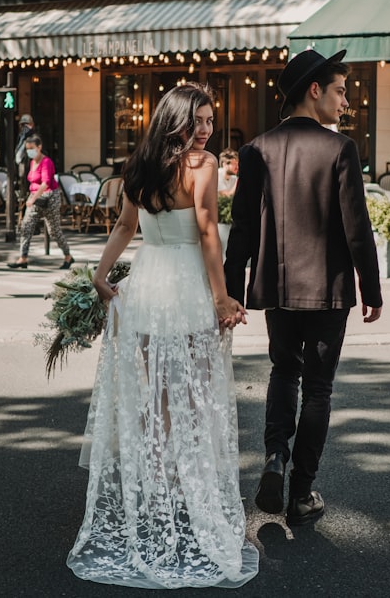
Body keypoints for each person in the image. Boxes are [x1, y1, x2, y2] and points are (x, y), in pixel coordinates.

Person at [67, 83, 258, 589]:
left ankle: (155, 493)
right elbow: (208, 228)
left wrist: (101, 275)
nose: (206, 130)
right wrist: (221, 297)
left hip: (147, 286)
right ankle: (187, 496)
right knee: (195, 397)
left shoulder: (139, 164)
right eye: (198, 120)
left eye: (210, 121)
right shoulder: (203, 165)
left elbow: (126, 228)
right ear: (176, 120)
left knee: (159, 399)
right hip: (187, 286)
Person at [224, 49, 383, 527]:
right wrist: (371, 289)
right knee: (318, 388)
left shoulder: (255, 150)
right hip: (329, 288)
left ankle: (274, 457)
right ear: (314, 90)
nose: (345, 101)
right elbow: (358, 228)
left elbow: (243, 229)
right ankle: (302, 491)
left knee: (282, 373)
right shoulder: (340, 149)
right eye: (339, 91)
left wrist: (232, 290)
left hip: (276, 286)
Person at [7, 134, 74, 269]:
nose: (29, 151)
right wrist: (32, 198)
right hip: (35, 198)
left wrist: (32, 198)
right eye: (27, 149)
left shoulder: (46, 162)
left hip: (49, 198)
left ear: (39, 147)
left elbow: (45, 183)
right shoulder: (32, 163)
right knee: (26, 226)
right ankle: (23, 258)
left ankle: (68, 256)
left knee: (53, 231)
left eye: (32, 148)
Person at [13, 113, 35, 178]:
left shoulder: (33, 136)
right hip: (24, 163)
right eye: (24, 125)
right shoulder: (21, 136)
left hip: (30, 164)